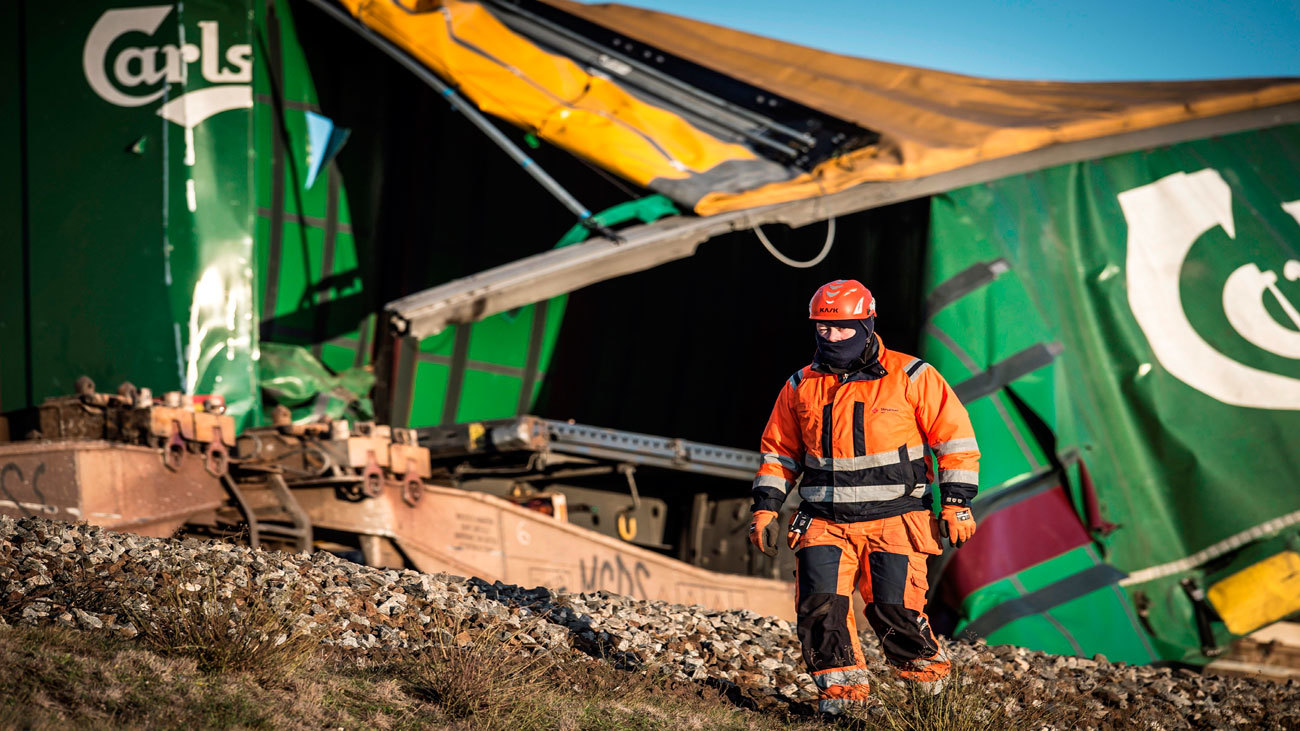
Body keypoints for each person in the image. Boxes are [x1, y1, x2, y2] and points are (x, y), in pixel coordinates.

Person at [748, 279, 980, 715]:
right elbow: (779, 452)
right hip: (824, 520)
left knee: (895, 613)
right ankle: (840, 707)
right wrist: (764, 509)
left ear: (867, 324)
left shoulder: (912, 377)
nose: (831, 338)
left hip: (896, 520)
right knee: (821, 612)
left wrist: (957, 502)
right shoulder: (800, 385)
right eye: (823, 329)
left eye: (842, 329)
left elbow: (955, 442)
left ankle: (933, 704)